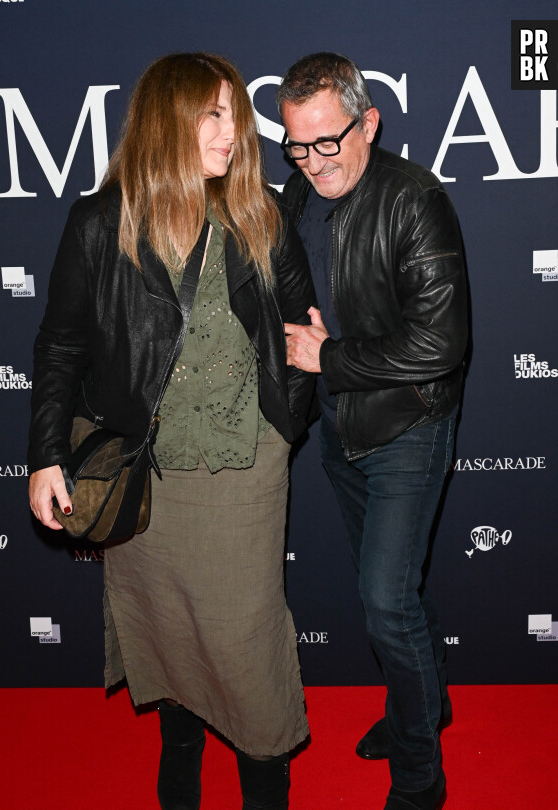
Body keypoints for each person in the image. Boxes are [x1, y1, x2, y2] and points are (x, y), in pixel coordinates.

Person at [28, 52, 316, 810]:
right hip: (144, 473)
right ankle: (180, 770)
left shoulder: (260, 212)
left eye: (234, 114)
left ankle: (265, 790)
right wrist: (46, 455)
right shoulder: (103, 221)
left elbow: (298, 328)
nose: (234, 132)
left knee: (247, 645)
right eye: (214, 115)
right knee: (167, 633)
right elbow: (59, 343)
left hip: (243, 469)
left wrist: (290, 418)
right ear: (168, 122)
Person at [277, 52, 468, 810]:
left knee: (386, 601)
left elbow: (441, 343)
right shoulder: (296, 191)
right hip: (338, 431)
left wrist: (332, 357)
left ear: (369, 123)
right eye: (297, 144)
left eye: (329, 141)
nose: (315, 162)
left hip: (409, 425)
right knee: (392, 598)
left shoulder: (416, 200)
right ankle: (426, 706)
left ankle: (420, 779)